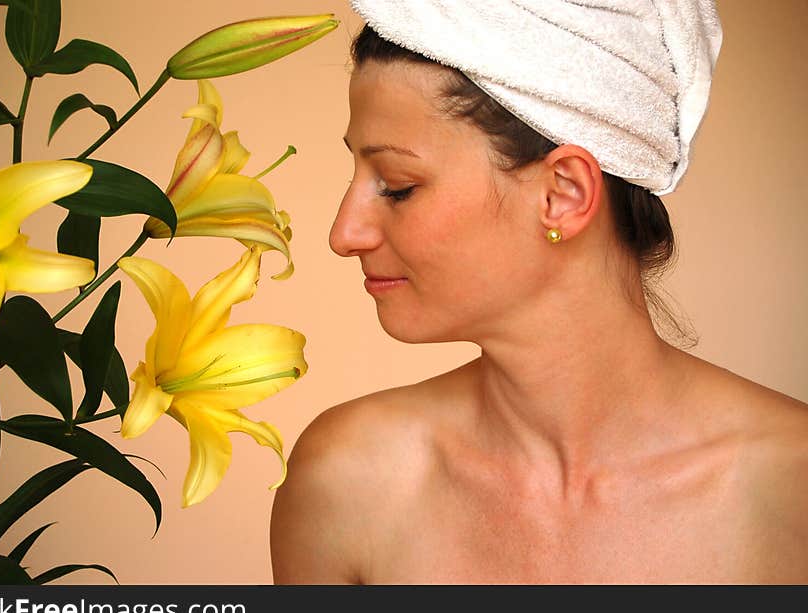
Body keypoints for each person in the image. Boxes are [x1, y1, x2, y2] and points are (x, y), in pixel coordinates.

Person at [270, 0, 808, 583]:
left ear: (564, 195)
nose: (344, 234)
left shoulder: (790, 488)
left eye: (398, 187)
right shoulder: (350, 480)